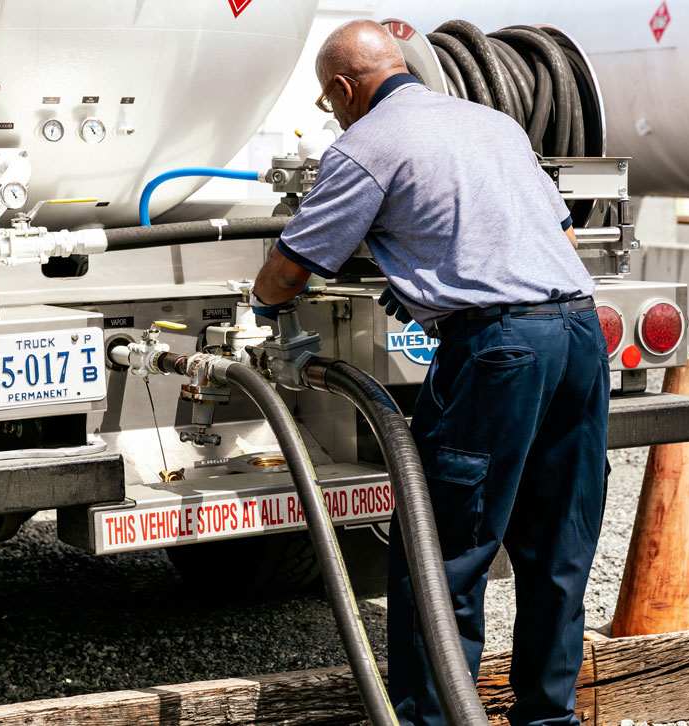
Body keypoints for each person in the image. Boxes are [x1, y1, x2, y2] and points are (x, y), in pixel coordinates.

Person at [253, 20, 611, 726]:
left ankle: (433, 719)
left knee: (442, 551)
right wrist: (427, 272)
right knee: (557, 549)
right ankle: (549, 718)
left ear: (342, 89)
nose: (335, 114)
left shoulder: (364, 146)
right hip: (577, 333)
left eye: (331, 104)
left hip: (499, 352)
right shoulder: (494, 124)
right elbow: (558, 234)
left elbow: (292, 267)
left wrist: (263, 305)